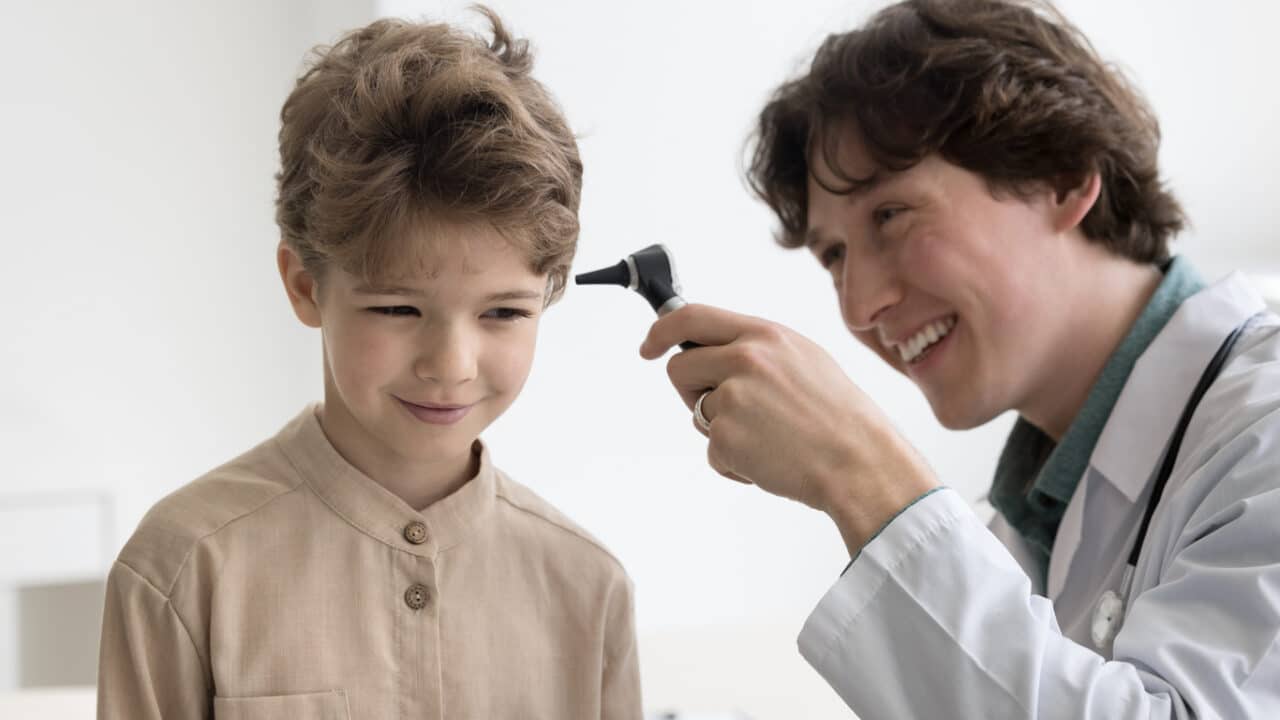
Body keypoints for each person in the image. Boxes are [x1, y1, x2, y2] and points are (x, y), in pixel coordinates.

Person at [639, 0, 1280, 716]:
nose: (858, 307)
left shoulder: (1266, 427)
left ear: (1062, 178)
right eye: (834, 256)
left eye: (889, 215)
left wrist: (863, 474)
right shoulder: (1025, 522)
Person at [96, 9, 641, 719]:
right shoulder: (183, 568)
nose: (452, 365)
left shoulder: (587, 588)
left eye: (503, 312)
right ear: (304, 285)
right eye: (397, 309)